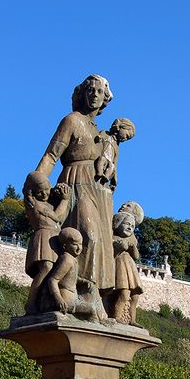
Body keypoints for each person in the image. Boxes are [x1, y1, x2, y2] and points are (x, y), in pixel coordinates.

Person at [34, 75, 120, 297]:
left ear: (105, 99)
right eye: (90, 90)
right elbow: (51, 156)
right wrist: (36, 182)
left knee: (100, 242)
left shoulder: (98, 131)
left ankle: (93, 298)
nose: (94, 95)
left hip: (96, 188)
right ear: (82, 94)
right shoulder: (71, 120)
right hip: (73, 183)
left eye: (100, 92)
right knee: (87, 235)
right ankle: (73, 291)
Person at [22, 172, 71, 314]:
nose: (44, 194)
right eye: (40, 192)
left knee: (54, 269)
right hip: (43, 236)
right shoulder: (33, 203)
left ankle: (45, 300)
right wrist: (65, 199)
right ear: (32, 191)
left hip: (54, 237)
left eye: (46, 191)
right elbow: (57, 217)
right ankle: (31, 302)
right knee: (46, 268)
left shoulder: (47, 204)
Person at [43, 228, 110, 323]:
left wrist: (84, 281)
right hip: (67, 301)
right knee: (91, 309)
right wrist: (58, 298)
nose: (79, 248)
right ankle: (94, 327)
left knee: (93, 290)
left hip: (74, 298)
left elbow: (70, 277)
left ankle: (103, 318)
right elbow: (53, 280)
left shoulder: (72, 259)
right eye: (75, 244)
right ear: (65, 246)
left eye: (80, 244)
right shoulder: (67, 259)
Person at [109, 209, 143, 324]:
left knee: (135, 296)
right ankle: (116, 316)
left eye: (133, 226)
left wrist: (133, 248)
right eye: (127, 224)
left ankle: (132, 320)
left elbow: (136, 256)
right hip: (120, 266)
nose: (130, 227)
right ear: (118, 224)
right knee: (124, 293)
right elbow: (110, 254)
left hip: (130, 268)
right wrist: (119, 248)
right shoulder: (113, 238)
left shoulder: (131, 239)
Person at [94, 118, 136, 191]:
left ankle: (105, 178)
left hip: (109, 163)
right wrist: (99, 138)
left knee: (112, 166)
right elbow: (99, 137)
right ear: (120, 127)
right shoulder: (106, 134)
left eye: (127, 138)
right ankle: (99, 173)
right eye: (126, 135)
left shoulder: (116, 147)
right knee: (102, 159)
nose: (125, 139)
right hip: (101, 158)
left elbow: (115, 163)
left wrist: (114, 181)